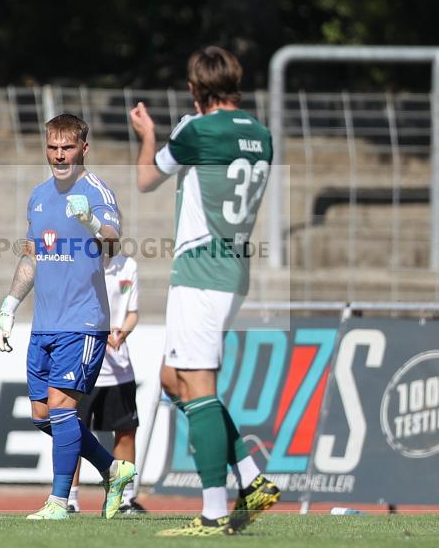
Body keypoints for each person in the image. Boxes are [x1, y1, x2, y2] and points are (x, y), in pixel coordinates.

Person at [129, 46, 280, 536]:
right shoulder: (262, 135)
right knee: (174, 380)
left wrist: (148, 136)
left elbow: (147, 179)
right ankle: (252, 479)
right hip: (233, 268)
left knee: (198, 385)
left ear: (196, 89)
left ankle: (214, 510)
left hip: (200, 270)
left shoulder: (196, 130)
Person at [0, 113, 136, 520]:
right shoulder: (38, 196)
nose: (59, 155)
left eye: (67, 148)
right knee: (42, 416)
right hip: (45, 324)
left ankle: (59, 502)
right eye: (53, 147)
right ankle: (113, 469)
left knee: (61, 406)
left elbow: (113, 243)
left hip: (83, 321)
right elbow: (31, 257)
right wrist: (9, 306)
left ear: (83, 149)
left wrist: (91, 222)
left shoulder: (97, 192)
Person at [68, 251, 146, 515]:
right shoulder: (78, 263)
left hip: (119, 368)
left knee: (125, 431)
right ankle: (69, 498)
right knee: (72, 432)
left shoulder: (128, 266)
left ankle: (125, 498)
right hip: (82, 364)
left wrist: (122, 333)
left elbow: (132, 313)